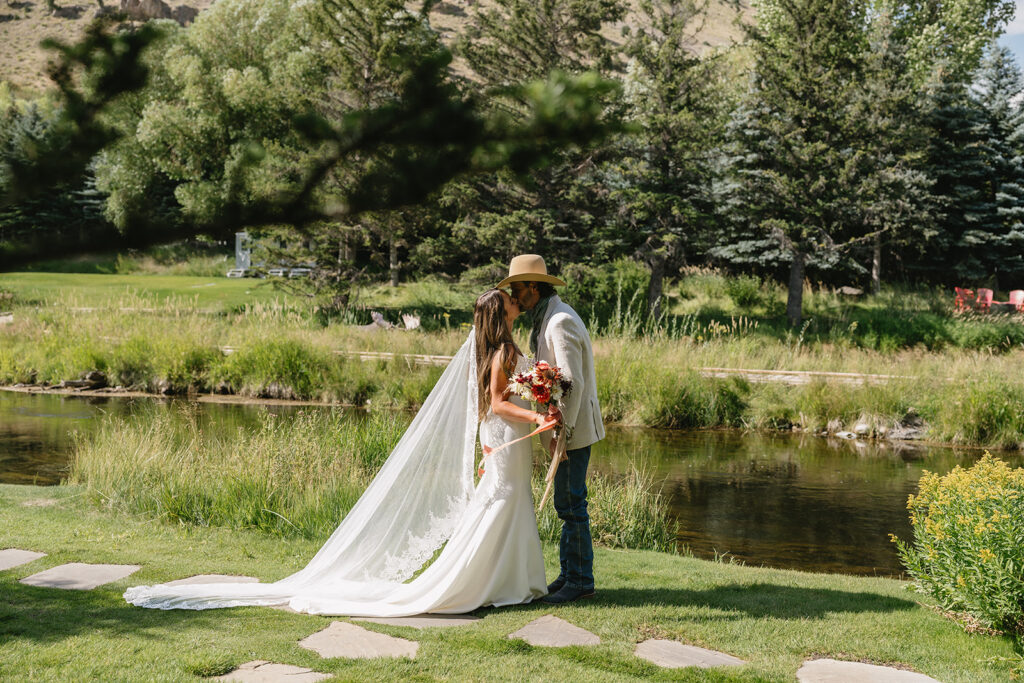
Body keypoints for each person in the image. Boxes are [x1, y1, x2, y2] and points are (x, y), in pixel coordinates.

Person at [124, 289, 556, 616]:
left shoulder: (500, 348)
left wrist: (540, 397)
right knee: (500, 500)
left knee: (508, 500)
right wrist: (536, 417)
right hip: (503, 432)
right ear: (502, 315)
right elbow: (499, 401)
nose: (517, 302)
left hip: (502, 437)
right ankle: (479, 582)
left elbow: (503, 398)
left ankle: (510, 581)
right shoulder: (500, 351)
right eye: (510, 302)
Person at [499, 254, 605, 604]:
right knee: (566, 503)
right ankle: (571, 575)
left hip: (571, 431)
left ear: (533, 286)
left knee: (572, 504)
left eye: (517, 288)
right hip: (564, 428)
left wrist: (562, 432)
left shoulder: (558, 321)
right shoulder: (548, 317)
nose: (515, 296)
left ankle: (580, 581)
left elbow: (570, 382)